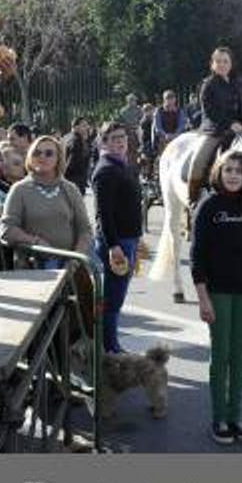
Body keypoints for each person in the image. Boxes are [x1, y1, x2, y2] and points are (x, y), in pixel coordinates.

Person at [192, 151, 242, 445]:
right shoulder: (209, 205)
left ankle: (236, 417)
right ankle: (219, 419)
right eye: (228, 170)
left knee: (239, 357)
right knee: (221, 355)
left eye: (238, 171)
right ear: (219, 173)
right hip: (218, 292)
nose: (233, 175)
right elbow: (197, 256)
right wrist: (203, 298)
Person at [0, 135, 91, 268]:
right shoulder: (19, 190)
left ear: (58, 158)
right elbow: (7, 229)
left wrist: (76, 259)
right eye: (37, 153)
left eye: (49, 153)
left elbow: (85, 230)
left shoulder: (70, 189)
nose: (42, 157)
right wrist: (35, 242)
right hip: (33, 267)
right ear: (30, 157)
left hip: (69, 266)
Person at [91, 120, 143, 353]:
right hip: (117, 243)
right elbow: (104, 214)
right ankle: (109, 347)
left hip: (128, 239)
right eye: (114, 138)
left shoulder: (122, 165)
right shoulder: (106, 170)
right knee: (113, 299)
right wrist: (114, 246)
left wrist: (137, 238)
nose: (120, 142)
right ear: (104, 142)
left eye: (122, 137)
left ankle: (109, 345)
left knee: (116, 297)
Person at [188, 46, 242, 205]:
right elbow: (210, 111)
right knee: (198, 161)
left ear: (231, 63)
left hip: (240, 130)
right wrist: (230, 124)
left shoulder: (239, 84)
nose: (222, 64)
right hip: (215, 130)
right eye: (218, 61)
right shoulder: (208, 84)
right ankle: (193, 197)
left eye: (225, 61)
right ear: (212, 64)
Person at [61, 116, 93, 195]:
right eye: (84, 125)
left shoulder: (66, 137)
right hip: (75, 182)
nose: (87, 128)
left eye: (87, 125)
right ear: (76, 127)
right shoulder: (77, 141)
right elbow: (72, 163)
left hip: (68, 180)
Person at [151, 89, 188, 158]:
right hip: (163, 137)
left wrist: (175, 134)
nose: (170, 101)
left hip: (176, 136)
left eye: (172, 98)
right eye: (168, 98)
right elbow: (158, 127)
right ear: (164, 100)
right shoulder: (158, 111)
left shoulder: (179, 111)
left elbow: (181, 125)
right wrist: (165, 135)